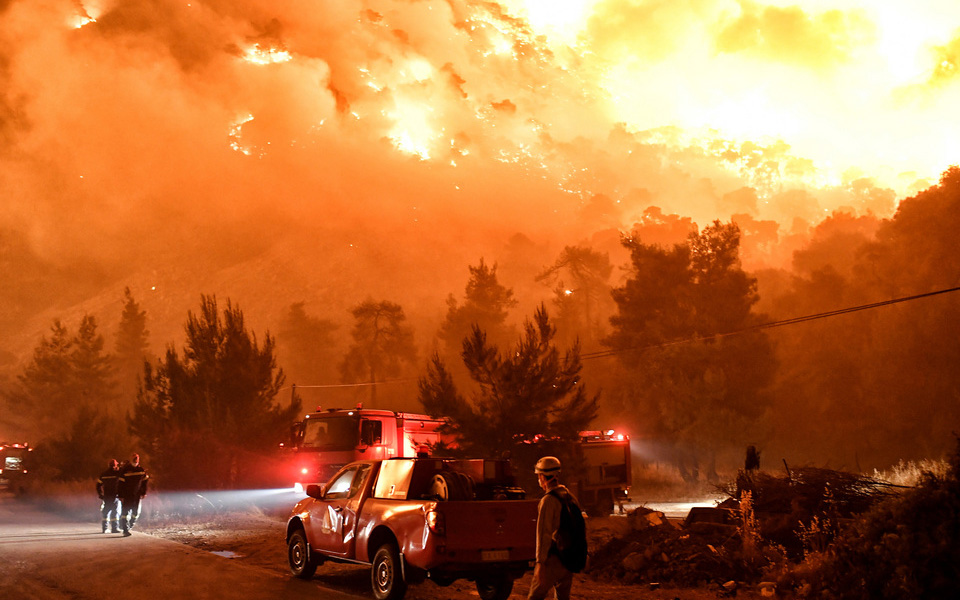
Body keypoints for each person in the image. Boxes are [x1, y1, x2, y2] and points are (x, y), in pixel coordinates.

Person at [528, 455, 577, 600]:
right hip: (569, 558)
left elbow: (543, 533)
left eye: (538, 476)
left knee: (534, 597)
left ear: (543, 477)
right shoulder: (569, 496)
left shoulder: (548, 501)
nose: (538, 479)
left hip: (553, 560)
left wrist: (540, 563)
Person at [117, 453, 149, 537]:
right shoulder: (125, 470)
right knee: (125, 512)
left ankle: (131, 524)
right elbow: (120, 484)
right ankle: (125, 529)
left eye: (137, 458)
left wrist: (144, 492)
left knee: (135, 512)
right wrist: (120, 495)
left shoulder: (141, 470)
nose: (135, 460)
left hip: (137, 495)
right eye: (134, 458)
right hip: (127, 495)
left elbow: (145, 482)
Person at [96, 459, 121, 533]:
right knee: (115, 511)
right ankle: (114, 528)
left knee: (106, 511)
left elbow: (98, 485)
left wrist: (100, 494)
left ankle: (105, 528)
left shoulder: (104, 474)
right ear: (115, 465)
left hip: (106, 495)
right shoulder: (117, 473)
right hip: (115, 495)